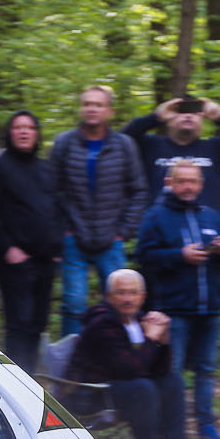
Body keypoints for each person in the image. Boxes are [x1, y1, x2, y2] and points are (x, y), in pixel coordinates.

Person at [134, 160, 220, 439]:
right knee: (172, 371)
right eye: (182, 181)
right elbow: (143, 256)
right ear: (170, 183)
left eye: (193, 181)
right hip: (174, 309)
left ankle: (206, 426)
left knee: (206, 369)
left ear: (201, 184)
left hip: (210, 307)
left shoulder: (211, 216)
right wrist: (180, 255)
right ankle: (170, 430)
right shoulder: (156, 216)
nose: (188, 187)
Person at [72, 269, 208, 439]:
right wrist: (151, 339)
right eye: (121, 293)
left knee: (172, 380)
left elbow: (160, 370)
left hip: (119, 388)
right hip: (90, 395)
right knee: (143, 388)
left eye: (133, 293)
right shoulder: (102, 323)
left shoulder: (138, 320)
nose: (128, 299)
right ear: (108, 296)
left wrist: (163, 339)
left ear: (142, 296)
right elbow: (129, 369)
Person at [49, 85, 149, 337]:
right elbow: (51, 190)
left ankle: (118, 356)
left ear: (110, 111)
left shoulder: (124, 145)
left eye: (98, 104)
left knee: (122, 303)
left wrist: (124, 231)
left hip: (111, 239)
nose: (92, 109)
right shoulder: (64, 143)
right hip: (74, 237)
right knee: (74, 303)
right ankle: (70, 356)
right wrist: (63, 231)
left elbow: (138, 191)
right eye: (87, 104)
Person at [0, 111, 64, 372]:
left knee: (38, 324)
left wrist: (57, 247)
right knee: (19, 324)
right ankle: (15, 380)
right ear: (10, 133)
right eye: (18, 127)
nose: (24, 132)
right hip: (14, 259)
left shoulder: (46, 168)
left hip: (45, 259)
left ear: (37, 133)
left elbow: (58, 207)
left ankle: (30, 380)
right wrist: (7, 247)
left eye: (29, 127)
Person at [123, 94, 220, 219]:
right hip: (159, 228)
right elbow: (125, 138)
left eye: (194, 112)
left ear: (202, 121)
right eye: (181, 111)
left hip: (208, 227)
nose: (188, 115)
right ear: (168, 120)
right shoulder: (150, 146)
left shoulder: (217, 148)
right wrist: (155, 117)